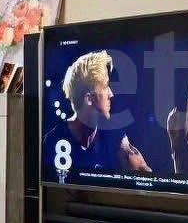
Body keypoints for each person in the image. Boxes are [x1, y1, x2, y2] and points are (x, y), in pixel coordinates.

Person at [44, 50, 151, 178]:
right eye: (106, 86)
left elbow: (146, 176)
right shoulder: (53, 141)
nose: (111, 94)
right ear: (89, 98)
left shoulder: (116, 137)